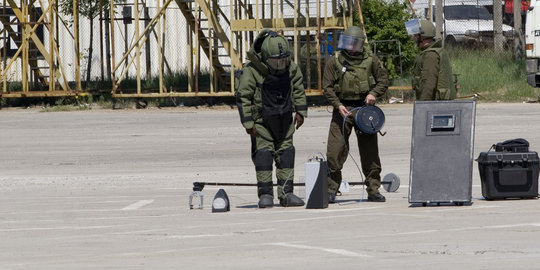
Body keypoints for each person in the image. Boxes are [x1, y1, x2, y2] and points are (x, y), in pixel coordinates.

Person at [235, 29, 308, 208]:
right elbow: (243, 96)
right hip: (261, 123)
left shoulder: (291, 67)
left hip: (285, 120)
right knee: (264, 155)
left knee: (286, 154)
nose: (279, 64)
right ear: (265, 57)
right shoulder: (252, 71)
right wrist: (248, 123)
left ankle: (286, 193)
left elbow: (298, 89)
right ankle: (265, 194)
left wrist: (300, 112)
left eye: (283, 60)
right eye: (275, 61)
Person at [322, 26, 389, 203]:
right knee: (334, 151)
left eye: (354, 43)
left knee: (370, 153)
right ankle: (331, 188)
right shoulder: (334, 61)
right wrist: (337, 105)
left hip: (364, 110)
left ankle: (373, 189)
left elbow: (383, 80)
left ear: (360, 44)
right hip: (342, 110)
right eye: (347, 42)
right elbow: (327, 87)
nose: (350, 47)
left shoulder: (371, 60)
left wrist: (373, 94)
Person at [406, 19, 456, 101]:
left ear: (422, 37)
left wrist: (422, 106)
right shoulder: (434, 51)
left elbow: (428, 84)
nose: (414, 38)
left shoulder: (430, 55)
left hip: (436, 106)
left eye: (416, 35)